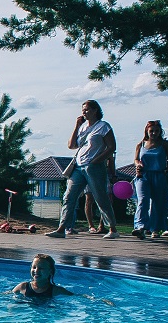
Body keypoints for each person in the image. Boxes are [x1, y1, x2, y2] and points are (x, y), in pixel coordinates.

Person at [46, 100, 120, 239]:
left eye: (86, 109)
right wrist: (77, 125)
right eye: (83, 110)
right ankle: (62, 228)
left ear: (95, 110)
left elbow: (112, 147)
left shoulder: (103, 126)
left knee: (100, 197)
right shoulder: (83, 127)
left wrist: (96, 160)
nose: (84, 112)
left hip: (94, 167)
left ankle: (112, 228)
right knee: (69, 196)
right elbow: (71, 145)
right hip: (79, 166)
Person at [131, 120, 168, 239]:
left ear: (160, 131)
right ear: (147, 131)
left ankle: (155, 228)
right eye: (151, 131)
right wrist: (138, 164)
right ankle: (140, 226)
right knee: (143, 199)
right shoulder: (141, 144)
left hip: (159, 175)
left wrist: (167, 169)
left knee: (158, 202)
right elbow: (136, 159)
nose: (154, 133)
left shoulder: (164, 144)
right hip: (143, 175)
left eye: (156, 131)